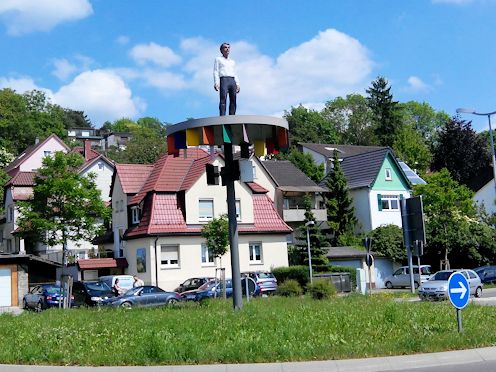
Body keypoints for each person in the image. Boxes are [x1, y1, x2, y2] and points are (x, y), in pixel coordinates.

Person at [213, 42, 240, 116]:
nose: (227, 49)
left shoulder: (232, 61)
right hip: (224, 79)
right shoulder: (218, 59)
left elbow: (235, 73)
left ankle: (232, 116)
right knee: (223, 99)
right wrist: (216, 82)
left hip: (232, 80)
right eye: (225, 47)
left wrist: (238, 84)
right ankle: (222, 117)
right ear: (221, 50)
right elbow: (216, 71)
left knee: (233, 100)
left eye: (228, 47)